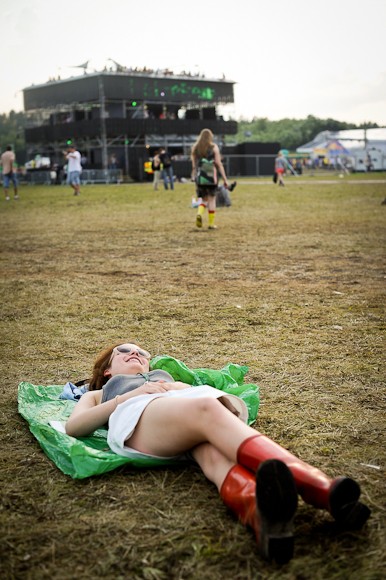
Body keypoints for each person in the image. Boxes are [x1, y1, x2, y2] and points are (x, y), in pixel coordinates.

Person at [65, 342, 371, 565]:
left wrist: (179, 389)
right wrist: (130, 396)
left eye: (141, 352)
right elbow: (74, 426)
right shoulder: (100, 393)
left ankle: (262, 515)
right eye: (124, 351)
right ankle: (320, 489)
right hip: (142, 420)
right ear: (107, 371)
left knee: (213, 457)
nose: (135, 353)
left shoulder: (167, 378)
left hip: (184, 421)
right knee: (207, 408)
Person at [191, 129, 229, 229]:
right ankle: (211, 224)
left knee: (204, 199)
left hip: (200, 178)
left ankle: (199, 213)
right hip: (212, 177)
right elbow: (219, 164)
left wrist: (193, 176)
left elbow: (194, 166)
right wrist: (225, 179)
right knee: (212, 200)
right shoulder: (214, 147)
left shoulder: (196, 148)